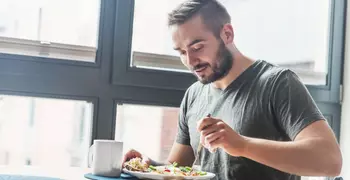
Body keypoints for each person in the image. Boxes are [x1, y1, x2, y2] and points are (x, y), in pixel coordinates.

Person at [122, 0, 343, 179]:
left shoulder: (278, 83)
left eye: (197, 47)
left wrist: (242, 145)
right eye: (181, 52)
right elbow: (178, 169)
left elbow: (329, 161)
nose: (190, 61)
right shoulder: (194, 94)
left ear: (227, 34)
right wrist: (147, 167)